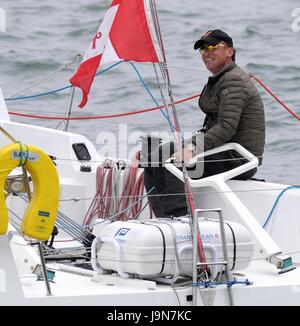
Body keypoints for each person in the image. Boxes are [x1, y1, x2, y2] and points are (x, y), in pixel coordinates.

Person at [144, 29, 265, 218]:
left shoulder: (233, 80)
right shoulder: (221, 78)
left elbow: (226, 127)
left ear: (229, 51)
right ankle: (164, 219)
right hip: (223, 149)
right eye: (203, 50)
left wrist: (191, 148)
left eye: (213, 47)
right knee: (154, 157)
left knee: (173, 163)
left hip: (239, 157)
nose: (207, 53)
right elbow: (215, 129)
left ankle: (181, 219)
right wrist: (188, 146)